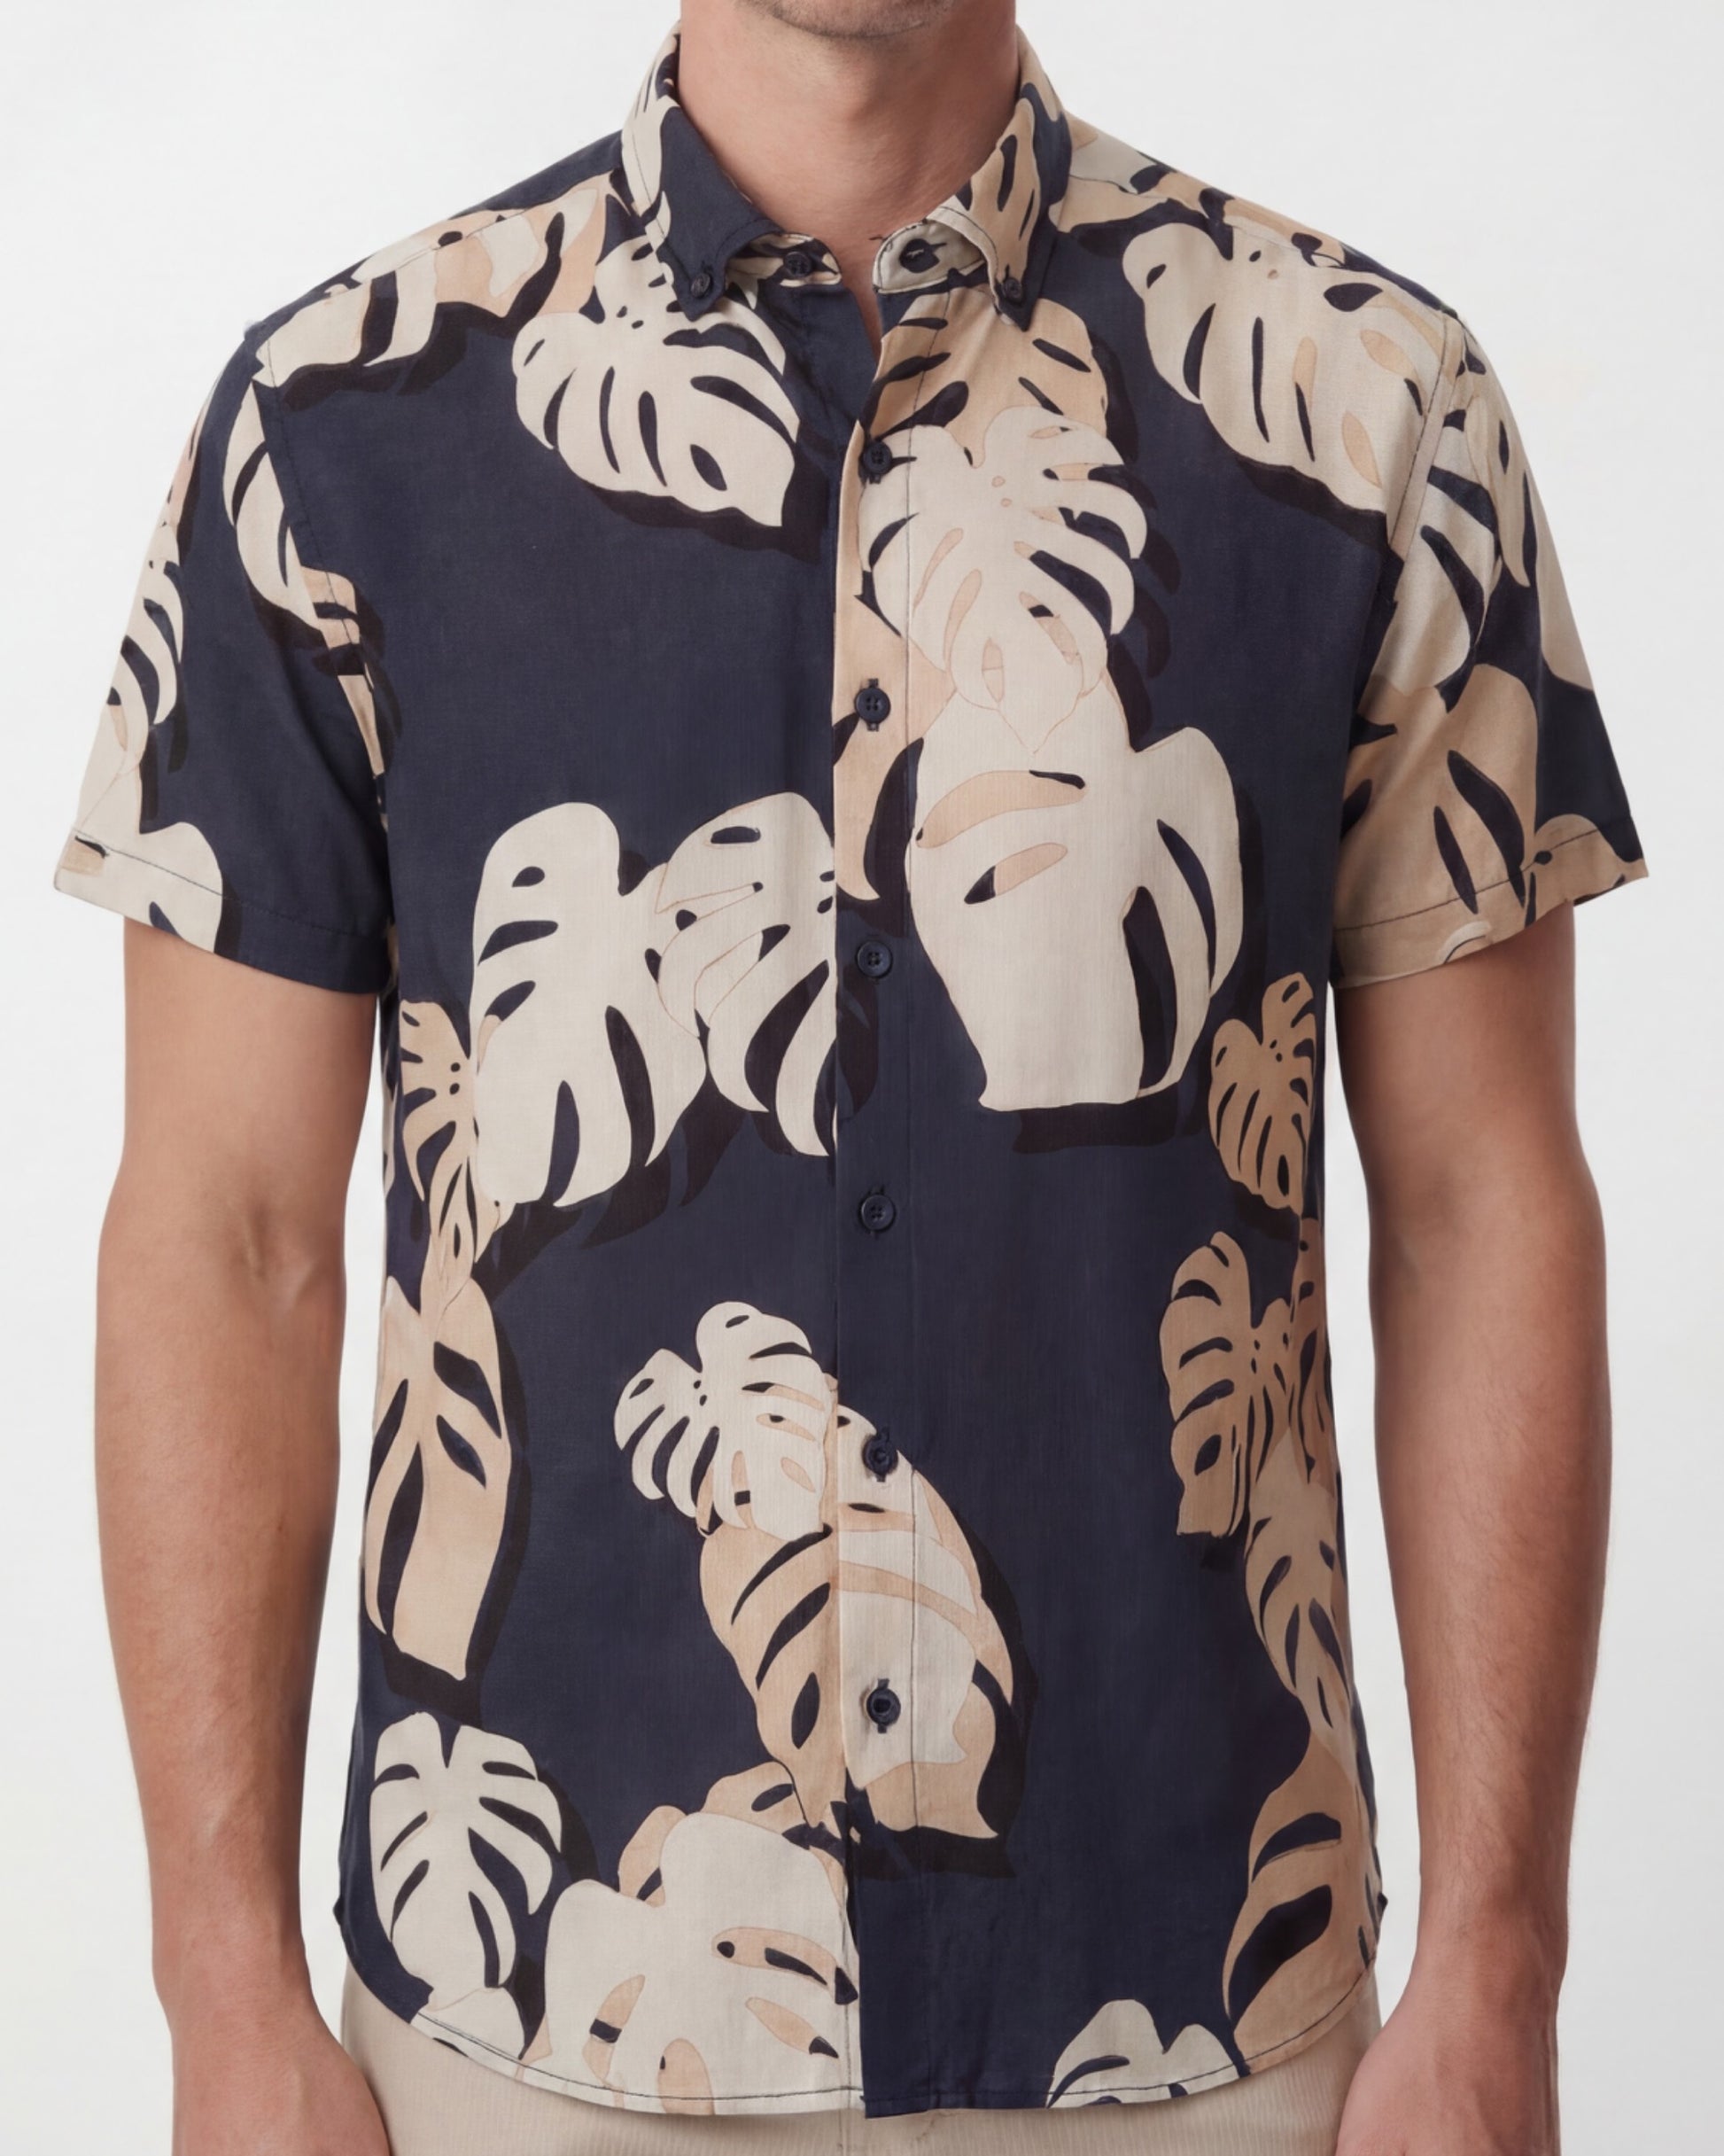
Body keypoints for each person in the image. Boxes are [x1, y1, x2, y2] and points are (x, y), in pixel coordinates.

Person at [53, 0, 1645, 2150]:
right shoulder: (336, 427)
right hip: (527, 2023)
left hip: (1199, 2011)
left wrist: (1497, 1968)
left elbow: (1483, 1211)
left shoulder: (1369, 411)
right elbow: (224, 1239)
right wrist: (223, 1987)